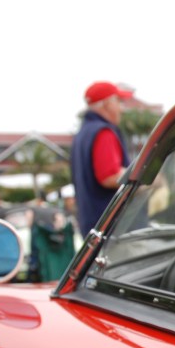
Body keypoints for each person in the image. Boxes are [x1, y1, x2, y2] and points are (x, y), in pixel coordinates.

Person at [70, 81, 133, 236]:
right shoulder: (103, 132)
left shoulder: (82, 134)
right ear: (106, 104)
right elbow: (110, 176)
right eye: (119, 102)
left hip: (92, 227)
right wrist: (145, 180)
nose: (122, 109)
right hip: (112, 230)